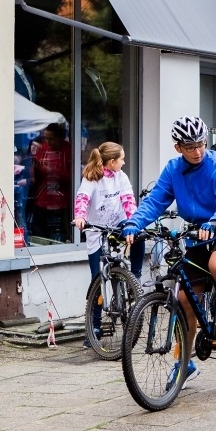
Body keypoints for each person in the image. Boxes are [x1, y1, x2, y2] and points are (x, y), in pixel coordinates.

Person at [122, 116, 216, 390]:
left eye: (201, 144)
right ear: (178, 147)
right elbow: (156, 201)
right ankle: (185, 362)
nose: (197, 151)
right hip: (199, 231)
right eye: (190, 146)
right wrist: (134, 223)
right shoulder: (173, 169)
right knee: (184, 297)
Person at [72, 142, 145, 348]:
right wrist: (79, 216)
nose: (124, 162)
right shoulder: (92, 177)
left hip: (118, 224)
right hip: (97, 231)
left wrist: (132, 223)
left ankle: (135, 277)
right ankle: (94, 328)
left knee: (139, 234)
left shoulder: (121, 177)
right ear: (112, 162)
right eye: (122, 159)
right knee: (97, 279)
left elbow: (129, 201)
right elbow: (82, 198)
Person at [30, 122, 73, 242]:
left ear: (60, 138)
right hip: (43, 197)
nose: (47, 142)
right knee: (40, 228)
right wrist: (36, 168)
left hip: (63, 199)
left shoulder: (69, 150)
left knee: (63, 229)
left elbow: (72, 177)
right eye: (45, 138)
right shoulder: (43, 148)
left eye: (51, 139)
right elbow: (34, 173)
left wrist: (52, 170)